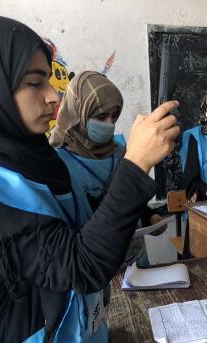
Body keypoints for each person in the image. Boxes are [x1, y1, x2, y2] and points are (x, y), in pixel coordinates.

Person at [0, 11, 179, 343]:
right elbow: (78, 266)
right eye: (34, 82)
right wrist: (136, 165)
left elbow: (81, 228)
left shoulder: (35, 159)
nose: (53, 96)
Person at [49, 71, 166, 267]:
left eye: (114, 116)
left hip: (135, 263)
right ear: (78, 112)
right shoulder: (56, 161)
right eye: (101, 116)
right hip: (91, 269)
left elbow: (126, 196)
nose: (109, 124)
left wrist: (149, 218)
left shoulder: (123, 151)